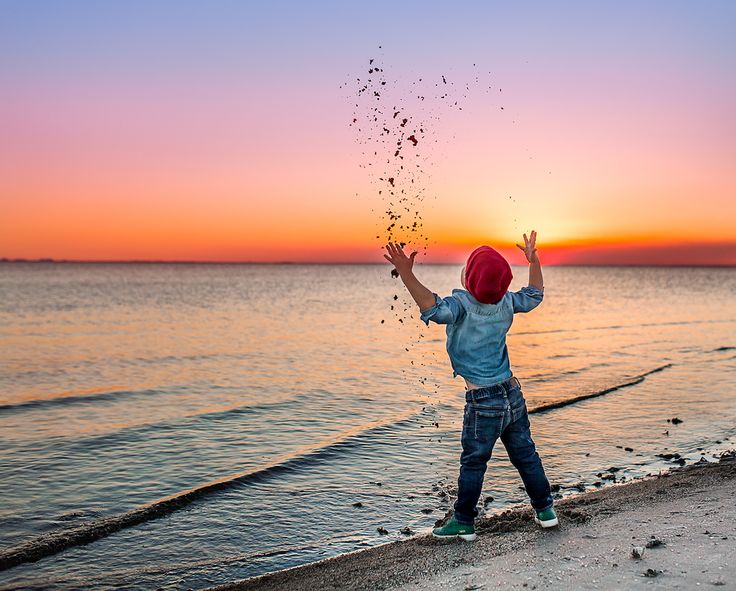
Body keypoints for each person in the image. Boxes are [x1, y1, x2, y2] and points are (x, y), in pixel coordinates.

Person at [383, 231, 557, 541]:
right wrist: (534, 259)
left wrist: (407, 274)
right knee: (526, 455)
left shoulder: (461, 305)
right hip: (511, 393)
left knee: (474, 461)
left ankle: (463, 520)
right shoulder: (507, 301)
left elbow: (432, 308)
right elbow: (534, 294)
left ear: (468, 280)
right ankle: (545, 510)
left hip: (483, 400)